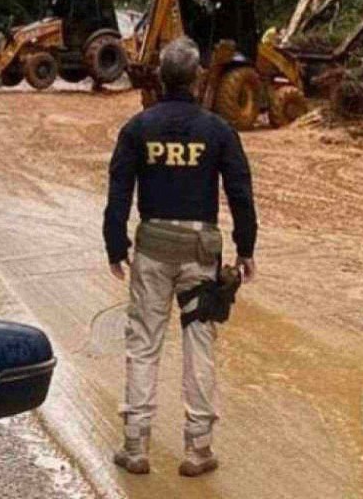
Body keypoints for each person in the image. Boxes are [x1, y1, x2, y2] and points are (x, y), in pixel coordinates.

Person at [103, 36, 257, 478]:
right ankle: (198, 448)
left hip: (151, 249)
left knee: (144, 344)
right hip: (200, 253)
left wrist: (116, 244)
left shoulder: (137, 129)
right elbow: (240, 193)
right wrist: (246, 248)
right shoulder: (218, 130)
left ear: (161, 76)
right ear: (196, 77)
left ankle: (135, 445)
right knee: (199, 345)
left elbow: (119, 191)